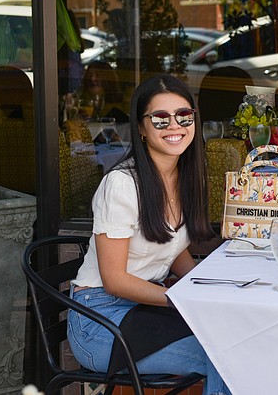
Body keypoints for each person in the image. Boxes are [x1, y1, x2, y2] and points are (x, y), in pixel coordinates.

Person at [67, 75, 231, 395]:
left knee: (238, 338)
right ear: (142, 128)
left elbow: (171, 249)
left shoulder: (184, 176)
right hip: (99, 321)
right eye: (160, 118)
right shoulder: (122, 184)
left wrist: (204, 286)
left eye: (184, 116)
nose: (175, 125)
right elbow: (114, 280)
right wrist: (183, 300)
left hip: (143, 308)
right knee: (226, 357)